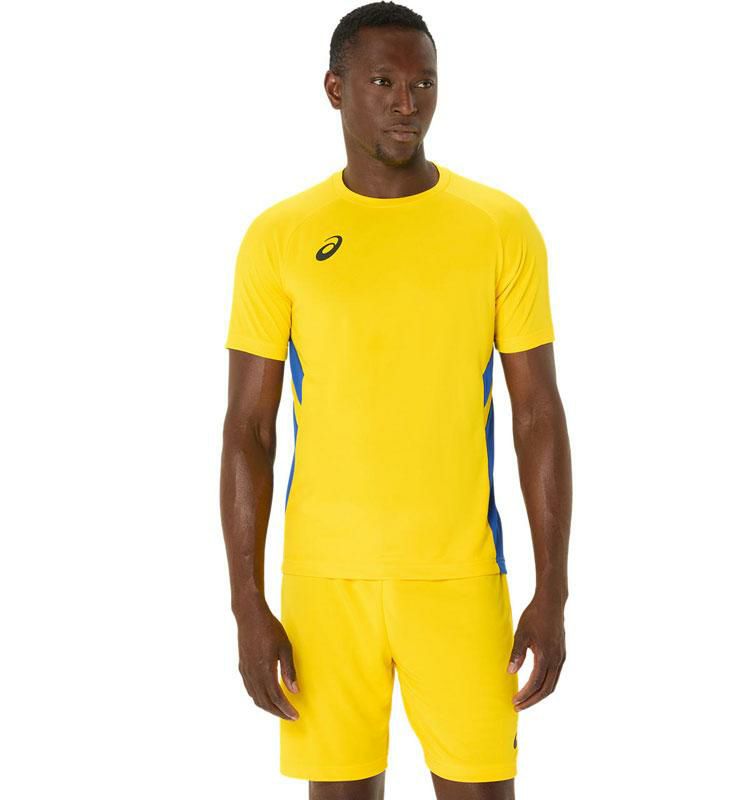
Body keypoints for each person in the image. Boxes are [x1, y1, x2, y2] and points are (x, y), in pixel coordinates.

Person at [219, 3, 572, 798]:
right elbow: (248, 429)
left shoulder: (498, 226)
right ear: (335, 89)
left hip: (460, 577)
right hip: (324, 584)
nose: (407, 103)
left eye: (424, 83)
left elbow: (538, 417)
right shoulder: (280, 235)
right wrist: (247, 602)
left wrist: (553, 590)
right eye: (383, 82)